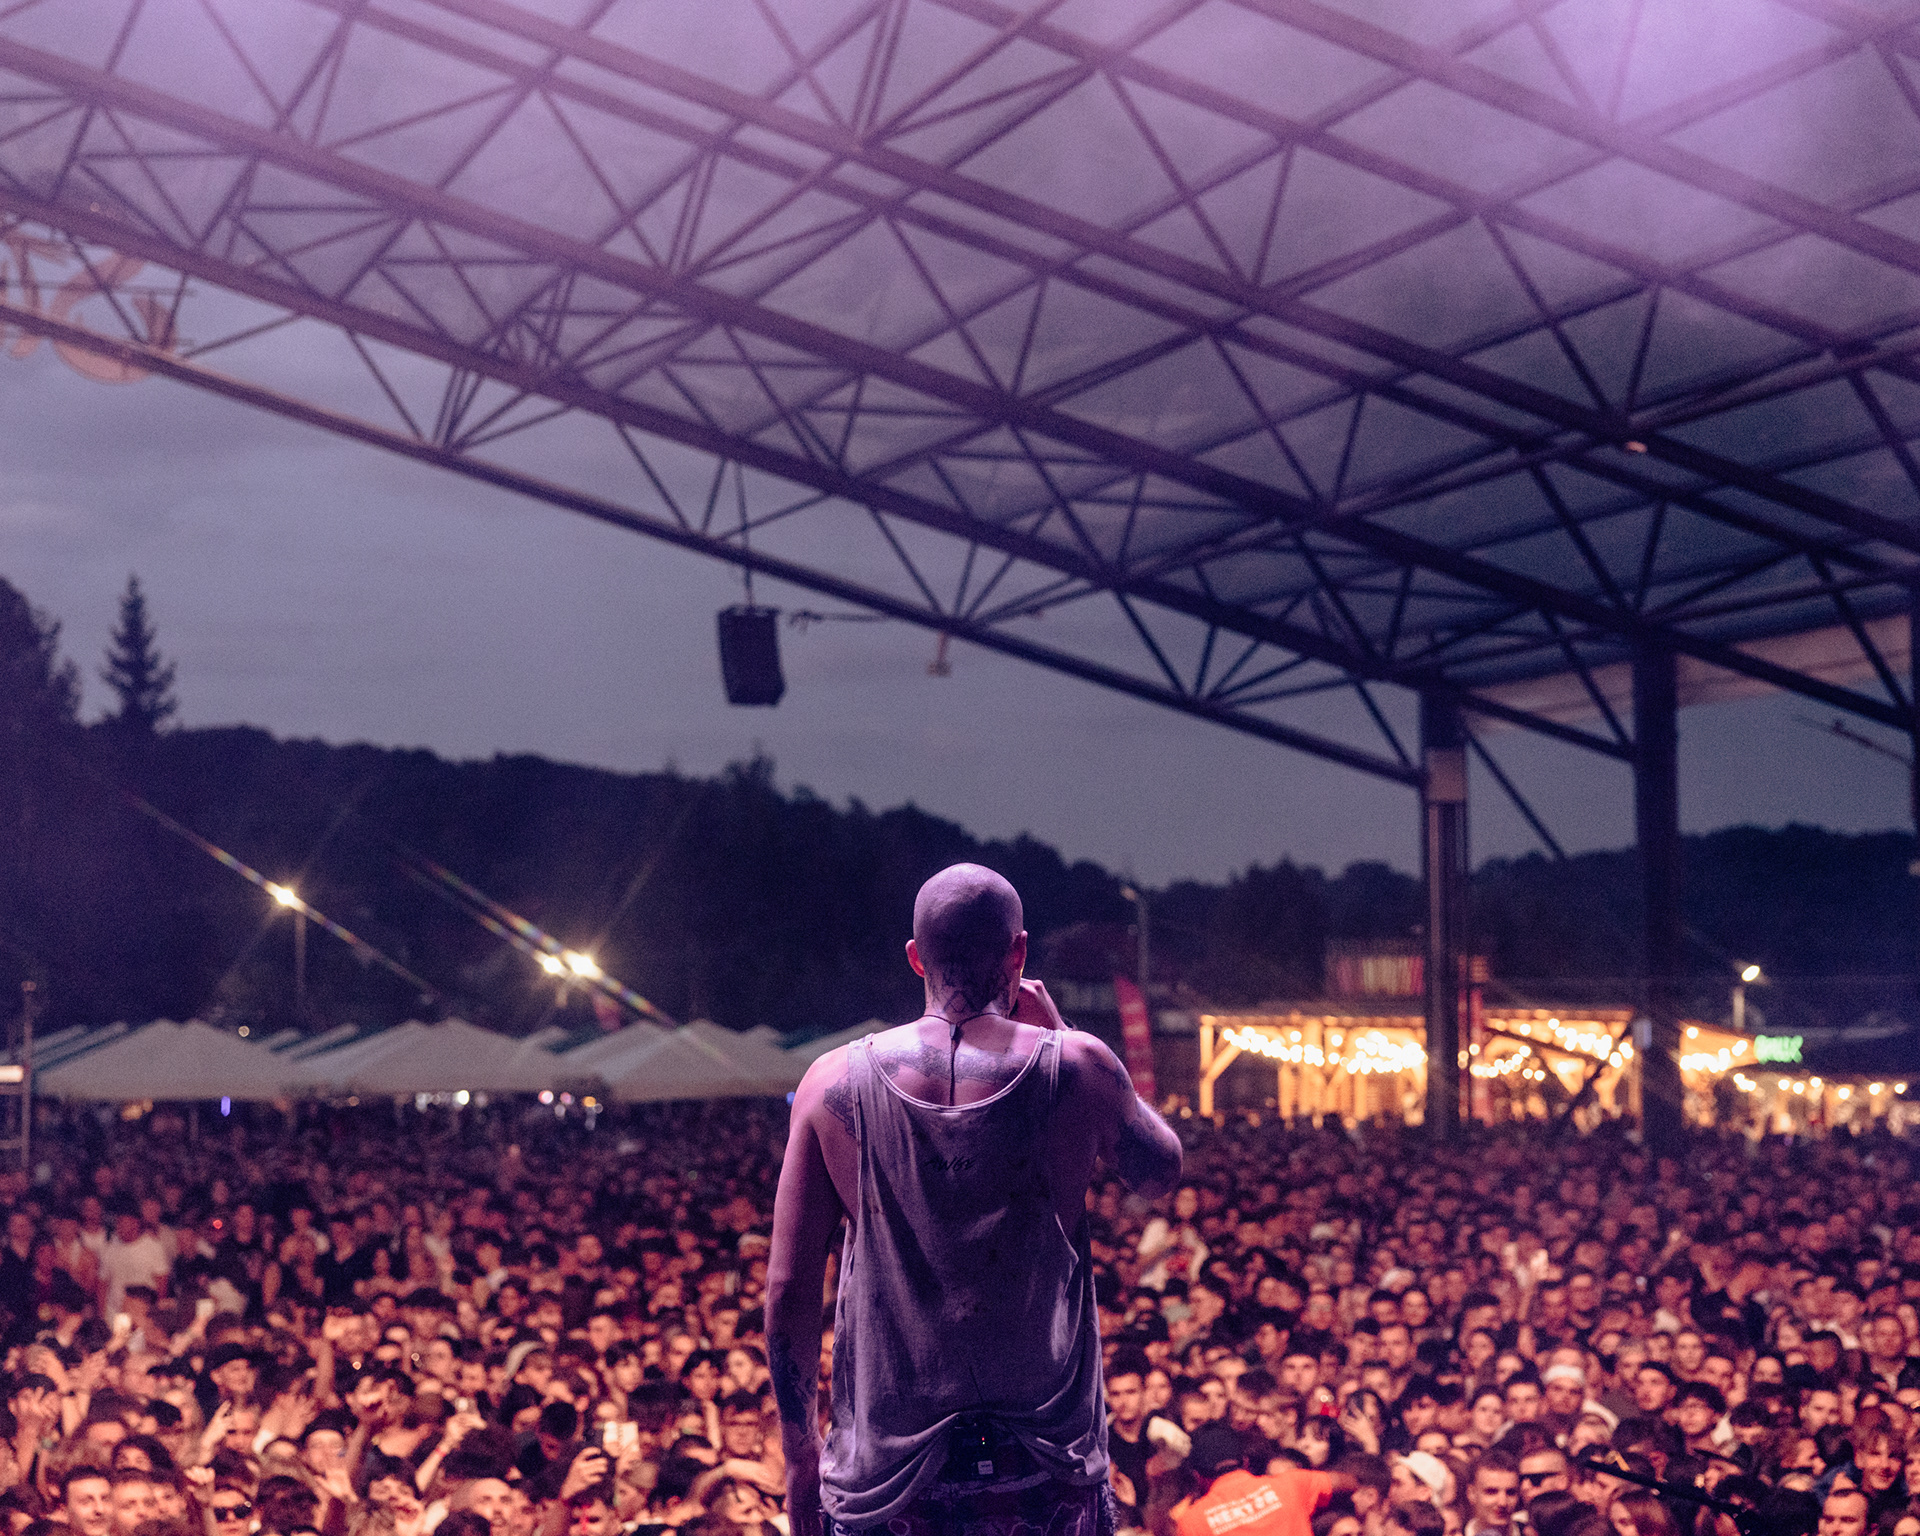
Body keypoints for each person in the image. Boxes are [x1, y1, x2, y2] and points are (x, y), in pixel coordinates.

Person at [768, 864, 1184, 1536]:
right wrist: (1062, 1032)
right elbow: (1160, 1172)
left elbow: (789, 1287)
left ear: (915, 957)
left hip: (887, 1481)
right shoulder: (1075, 1065)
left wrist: (798, 1459)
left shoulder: (831, 1081)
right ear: (1019, 952)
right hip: (1044, 1471)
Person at [1171, 1423, 1352, 1536]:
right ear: (1245, 1461)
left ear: (1197, 1476)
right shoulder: (1290, 1484)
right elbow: (1349, 1482)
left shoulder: (1192, 1522)